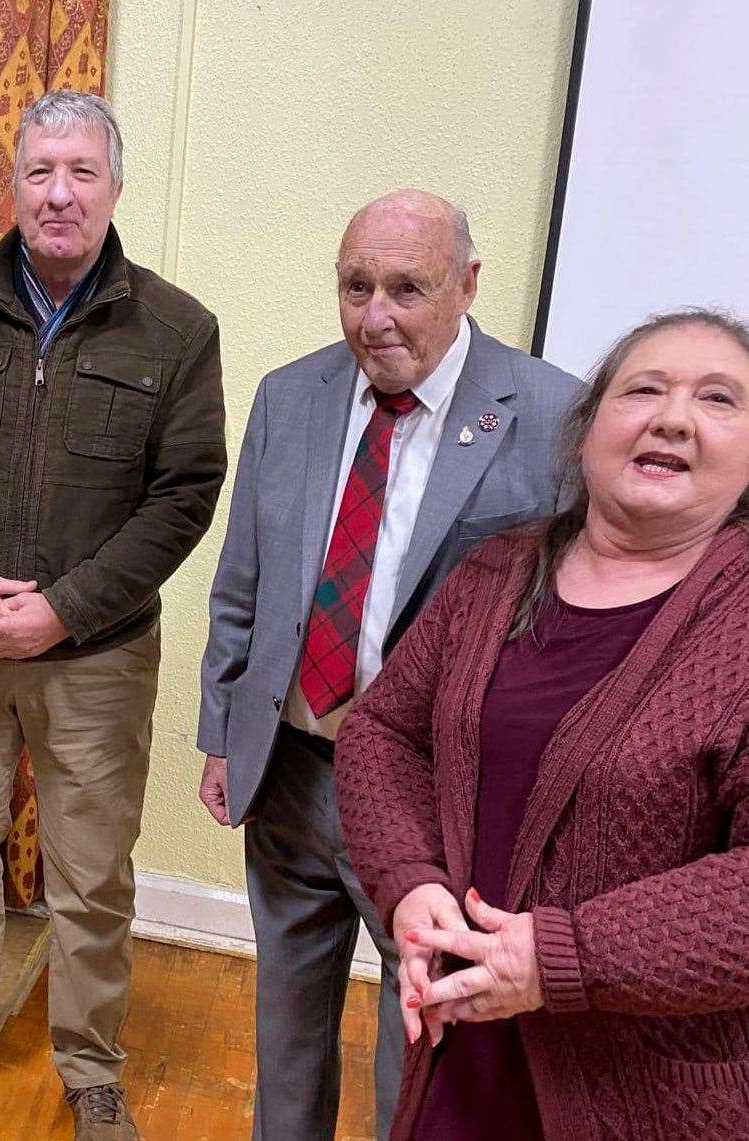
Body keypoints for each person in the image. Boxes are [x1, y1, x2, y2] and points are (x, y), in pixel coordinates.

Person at [0, 89, 227, 1141]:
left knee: (89, 874)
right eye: (39, 171)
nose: (59, 192)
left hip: (97, 658)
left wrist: (65, 610)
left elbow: (184, 493)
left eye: (80, 171)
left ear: (115, 186)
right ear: (14, 183)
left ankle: (90, 1063)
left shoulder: (176, 327)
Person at [195, 190, 582, 1138]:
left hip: (431, 793)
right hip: (289, 766)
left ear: (468, 285)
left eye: (408, 288)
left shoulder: (553, 412)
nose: (377, 316)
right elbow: (243, 575)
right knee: (285, 1016)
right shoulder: (293, 394)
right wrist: (221, 730)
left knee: (419, 1036)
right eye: (356, 286)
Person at [334, 308, 749, 1140]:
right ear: (588, 425)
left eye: (718, 399)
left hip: (646, 1092)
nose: (671, 416)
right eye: (643, 389)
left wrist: (559, 958)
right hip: (461, 1049)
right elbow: (382, 732)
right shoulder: (498, 568)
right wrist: (411, 882)